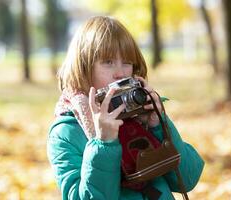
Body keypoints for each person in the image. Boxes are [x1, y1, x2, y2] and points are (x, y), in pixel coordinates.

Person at [47, 16, 204, 200]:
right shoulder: (65, 133)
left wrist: (159, 126)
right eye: (108, 62)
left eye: (127, 62)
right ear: (83, 67)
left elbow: (187, 179)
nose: (120, 73)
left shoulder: (140, 113)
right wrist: (103, 144)